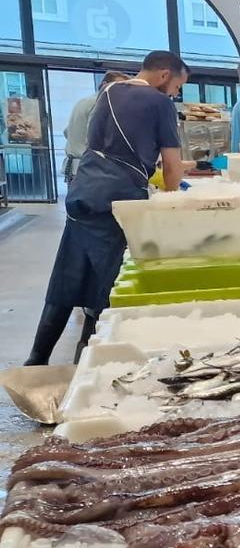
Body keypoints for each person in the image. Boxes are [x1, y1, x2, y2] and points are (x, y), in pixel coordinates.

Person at [26, 51, 187, 365]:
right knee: (110, 282)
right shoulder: (160, 104)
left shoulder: (109, 92)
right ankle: (87, 364)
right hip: (116, 200)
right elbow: (171, 165)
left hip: (83, 193)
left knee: (69, 275)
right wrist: (173, 200)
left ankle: (36, 359)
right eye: (177, 87)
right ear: (165, 75)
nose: (175, 94)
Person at [62, 71, 128, 184]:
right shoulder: (101, 102)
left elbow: (66, 132)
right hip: (89, 170)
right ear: (104, 85)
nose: (121, 92)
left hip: (73, 168)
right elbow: (93, 138)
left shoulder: (83, 101)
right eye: (117, 86)